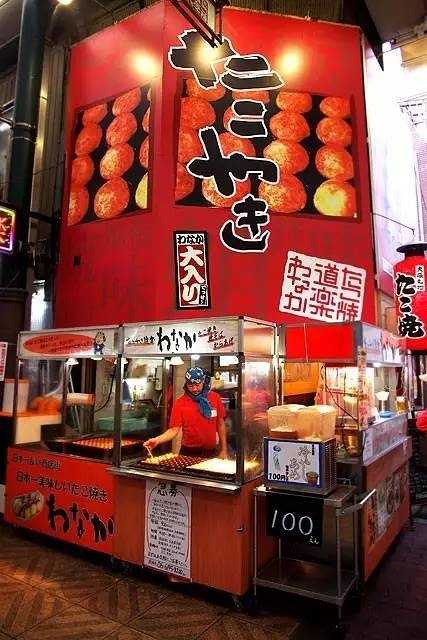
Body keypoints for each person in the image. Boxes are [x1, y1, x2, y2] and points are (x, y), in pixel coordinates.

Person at [144, 366, 228, 458]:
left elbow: (220, 424)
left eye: (197, 385)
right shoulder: (180, 403)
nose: (195, 389)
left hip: (211, 452)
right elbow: (173, 430)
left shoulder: (215, 398)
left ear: (203, 382)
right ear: (186, 384)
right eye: (191, 386)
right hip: (189, 452)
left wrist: (224, 449)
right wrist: (157, 440)